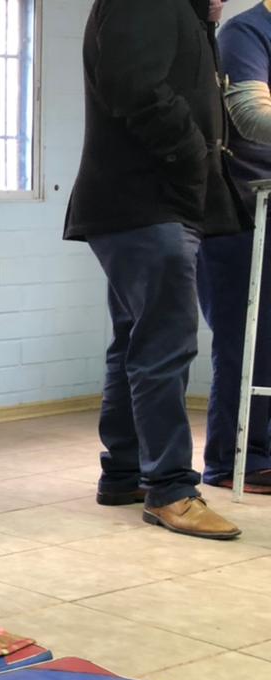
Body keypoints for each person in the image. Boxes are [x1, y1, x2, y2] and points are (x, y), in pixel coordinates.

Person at [65, 0, 248, 538]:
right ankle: (170, 489)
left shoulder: (181, 9)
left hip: (146, 203)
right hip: (149, 201)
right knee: (164, 346)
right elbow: (135, 87)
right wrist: (192, 157)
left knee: (137, 342)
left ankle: (124, 473)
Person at [197, 0, 271, 493]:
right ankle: (232, 460)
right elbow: (251, 117)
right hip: (241, 212)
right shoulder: (245, 34)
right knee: (248, 344)